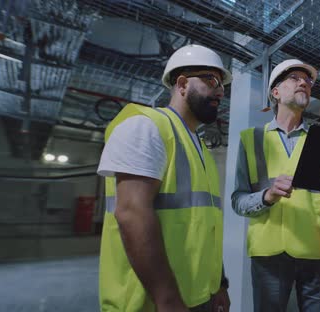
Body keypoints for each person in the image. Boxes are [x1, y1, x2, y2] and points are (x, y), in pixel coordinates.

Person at [97, 44, 231, 312]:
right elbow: (132, 213)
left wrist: (220, 284)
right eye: (211, 79)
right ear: (181, 84)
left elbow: (207, 226)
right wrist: (167, 299)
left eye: (222, 85)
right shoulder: (145, 126)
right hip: (153, 303)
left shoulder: (201, 149)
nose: (220, 90)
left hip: (198, 296)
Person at [231, 59, 320, 312]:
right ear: (275, 92)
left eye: (308, 81)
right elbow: (238, 200)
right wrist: (267, 196)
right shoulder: (251, 140)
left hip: (317, 252)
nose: (304, 82)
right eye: (294, 78)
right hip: (269, 255)